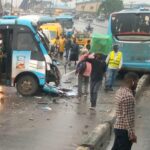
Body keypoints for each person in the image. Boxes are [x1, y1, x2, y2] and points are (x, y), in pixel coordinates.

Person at [111, 72, 139, 150]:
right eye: (137, 82)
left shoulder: (120, 91)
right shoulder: (128, 97)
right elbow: (128, 118)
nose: (137, 85)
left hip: (118, 127)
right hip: (124, 130)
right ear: (132, 81)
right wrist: (132, 134)